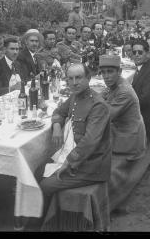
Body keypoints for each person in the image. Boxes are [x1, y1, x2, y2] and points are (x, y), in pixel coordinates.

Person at [39, 63, 112, 219]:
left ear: (88, 78)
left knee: (45, 186)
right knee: (37, 170)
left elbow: (89, 142)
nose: (74, 82)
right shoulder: (75, 96)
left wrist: (69, 162)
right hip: (75, 156)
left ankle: (44, 224)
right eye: (70, 78)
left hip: (92, 166)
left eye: (78, 77)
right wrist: (57, 126)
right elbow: (59, 111)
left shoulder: (98, 105)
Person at [99, 55, 146, 212]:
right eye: (103, 72)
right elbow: (101, 97)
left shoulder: (123, 91)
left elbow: (106, 116)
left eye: (110, 72)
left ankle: (110, 207)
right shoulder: (114, 86)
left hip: (129, 139)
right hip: (121, 132)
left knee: (104, 170)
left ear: (119, 71)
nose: (106, 76)